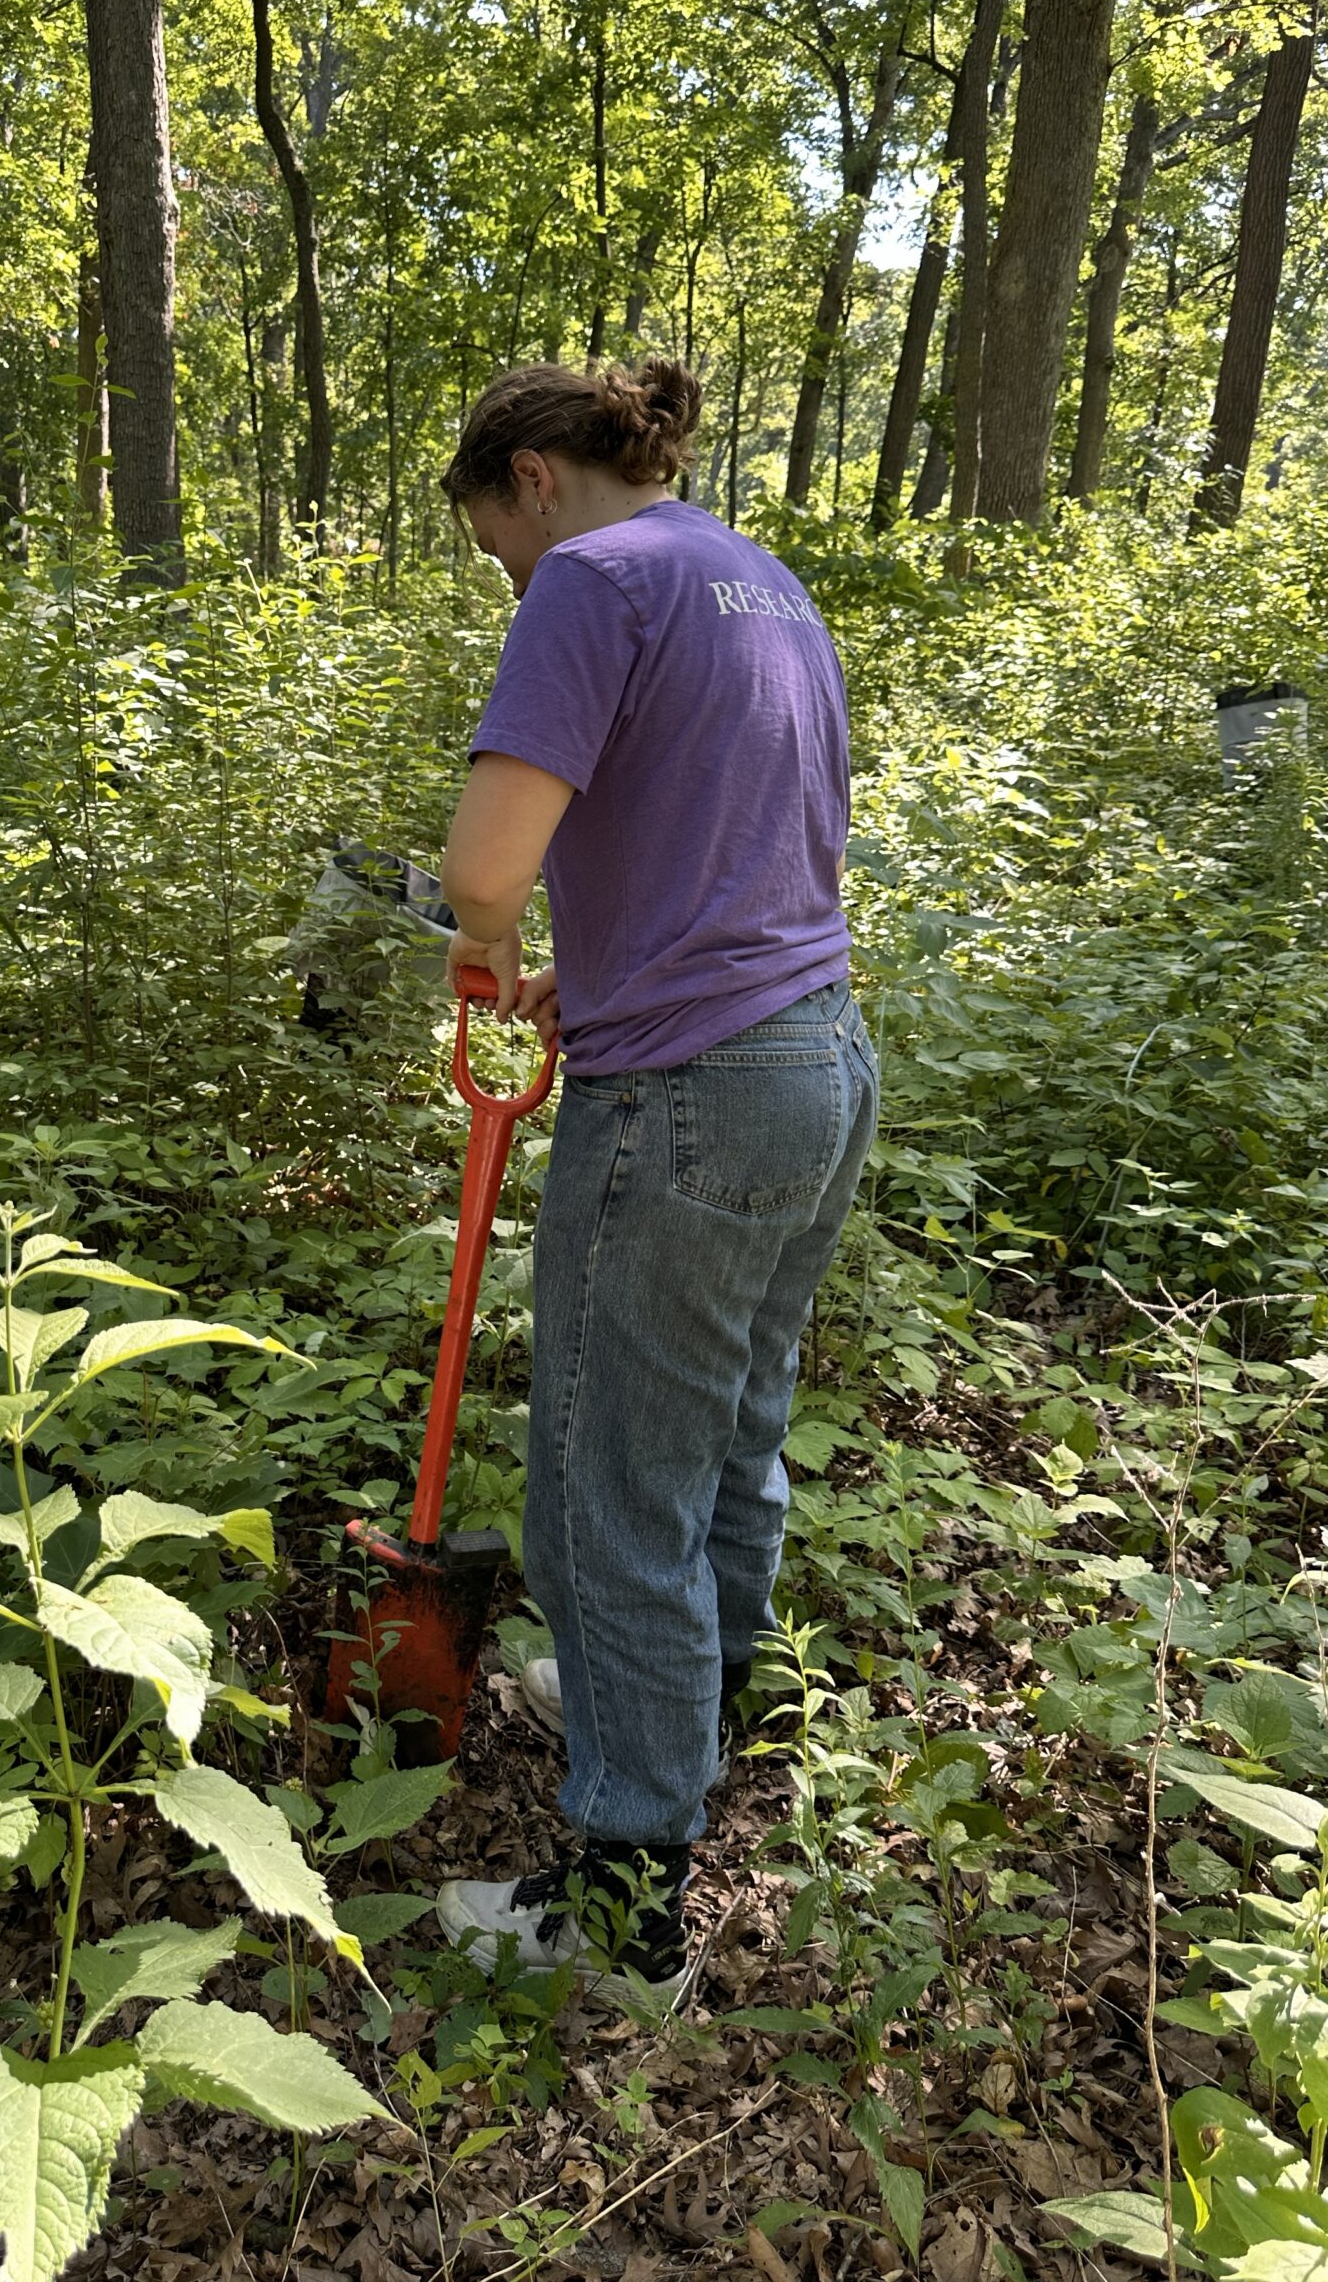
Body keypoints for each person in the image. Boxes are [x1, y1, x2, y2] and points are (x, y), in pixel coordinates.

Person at [430, 356, 877, 2000]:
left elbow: (488, 865)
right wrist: (593, 975)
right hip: (815, 1056)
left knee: (609, 1493)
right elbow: (753, 844)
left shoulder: (591, 580)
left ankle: (626, 1913)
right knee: (733, 1431)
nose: (509, 577)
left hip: (688, 1100)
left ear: (531, 482)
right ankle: (698, 1703)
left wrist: (485, 952)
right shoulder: (759, 579)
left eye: (496, 547)